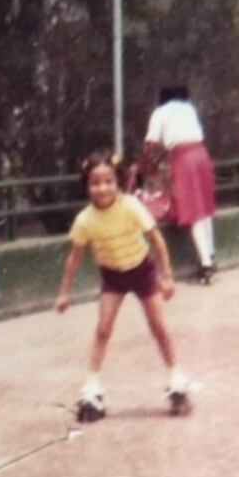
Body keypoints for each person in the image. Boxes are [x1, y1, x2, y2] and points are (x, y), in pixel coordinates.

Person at [54, 150, 191, 421]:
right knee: (103, 329)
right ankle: (92, 388)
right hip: (112, 276)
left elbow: (156, 240)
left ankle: (176, 379)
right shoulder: (85, 220)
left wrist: (166, 276)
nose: (102, 188)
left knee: (159, 328)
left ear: (118, 182)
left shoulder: (130, 206)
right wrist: (64, 292)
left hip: (142, 270)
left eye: (108, 181)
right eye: (95, 182)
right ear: (87, 186)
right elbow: (75, 257)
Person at [142, 85, 217, 284]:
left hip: (184, 158)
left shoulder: (160, 112)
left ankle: (206, 265)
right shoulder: (189, 108)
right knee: (205, 209)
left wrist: (146, 164)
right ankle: (210, 254)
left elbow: (150, 144)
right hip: (202, 155)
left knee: (194, 212)